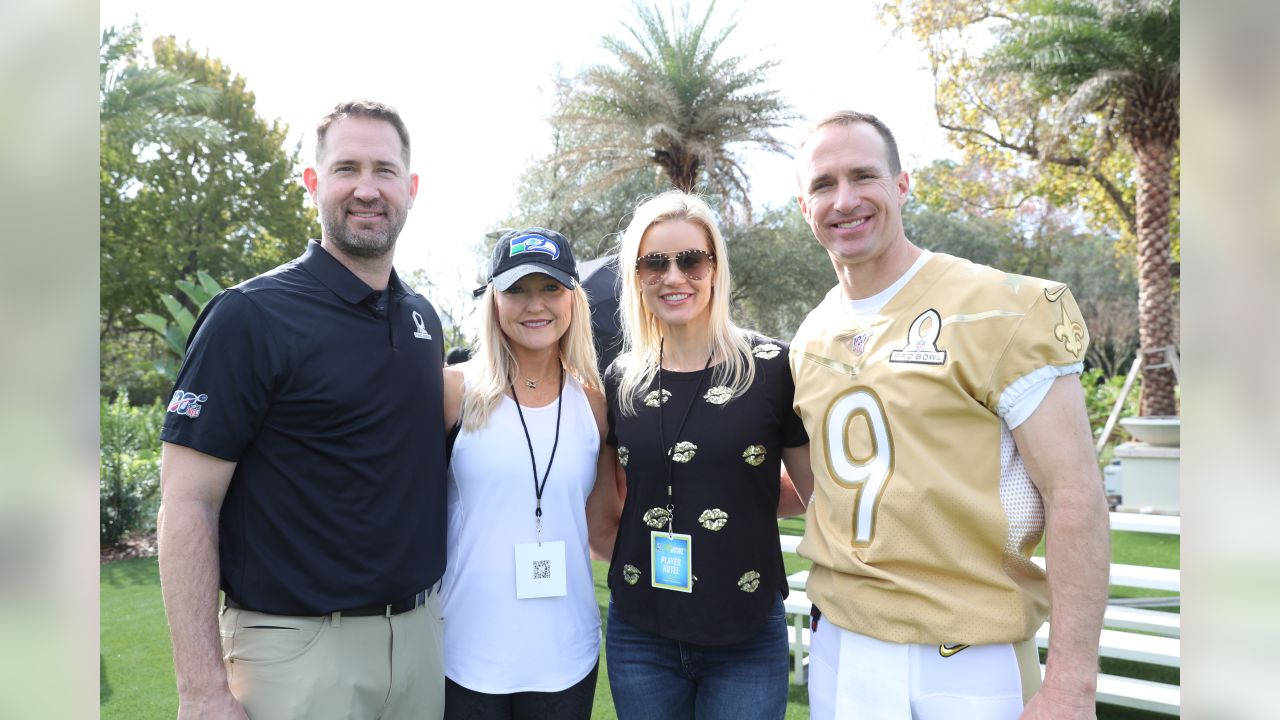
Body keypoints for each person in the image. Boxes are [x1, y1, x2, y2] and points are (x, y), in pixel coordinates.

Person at [789, 110, 1111, 720]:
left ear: (902, 184)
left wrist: (1073, 685)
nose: (846, 199)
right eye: (824, 184)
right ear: (803, 204)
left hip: (967, 655)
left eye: (864, 176)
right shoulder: (812, 334)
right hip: (842, 646)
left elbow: (1075, 494)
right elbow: (832, 490)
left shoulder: (1000, 307)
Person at [156, 100, 448, 720]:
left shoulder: (422, 318)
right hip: (298, 657)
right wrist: (201, 691)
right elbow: (187, 502)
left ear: (411, 189)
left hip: (421, 645)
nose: (366, 189)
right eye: (347, 168)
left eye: (384, 171)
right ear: (313, 183)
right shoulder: (250, 316)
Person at [603, 191, 813, 720]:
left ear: (715, 267)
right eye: (655, 262)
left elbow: (817, 495)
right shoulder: (621, 380)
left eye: (691, 259)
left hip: (744, 627)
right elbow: (614, 499)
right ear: (637, 275)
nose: (674, 277)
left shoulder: (770, 367)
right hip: (640, 632)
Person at [439, 227, 621, 719]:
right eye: (517, 289)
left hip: (566, 658)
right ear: (494, 300)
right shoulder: (453, 392)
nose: (534, 305)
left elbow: (605, 530)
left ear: (573, 300)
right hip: (464, 654)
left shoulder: (594, 403)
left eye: (550, 289)